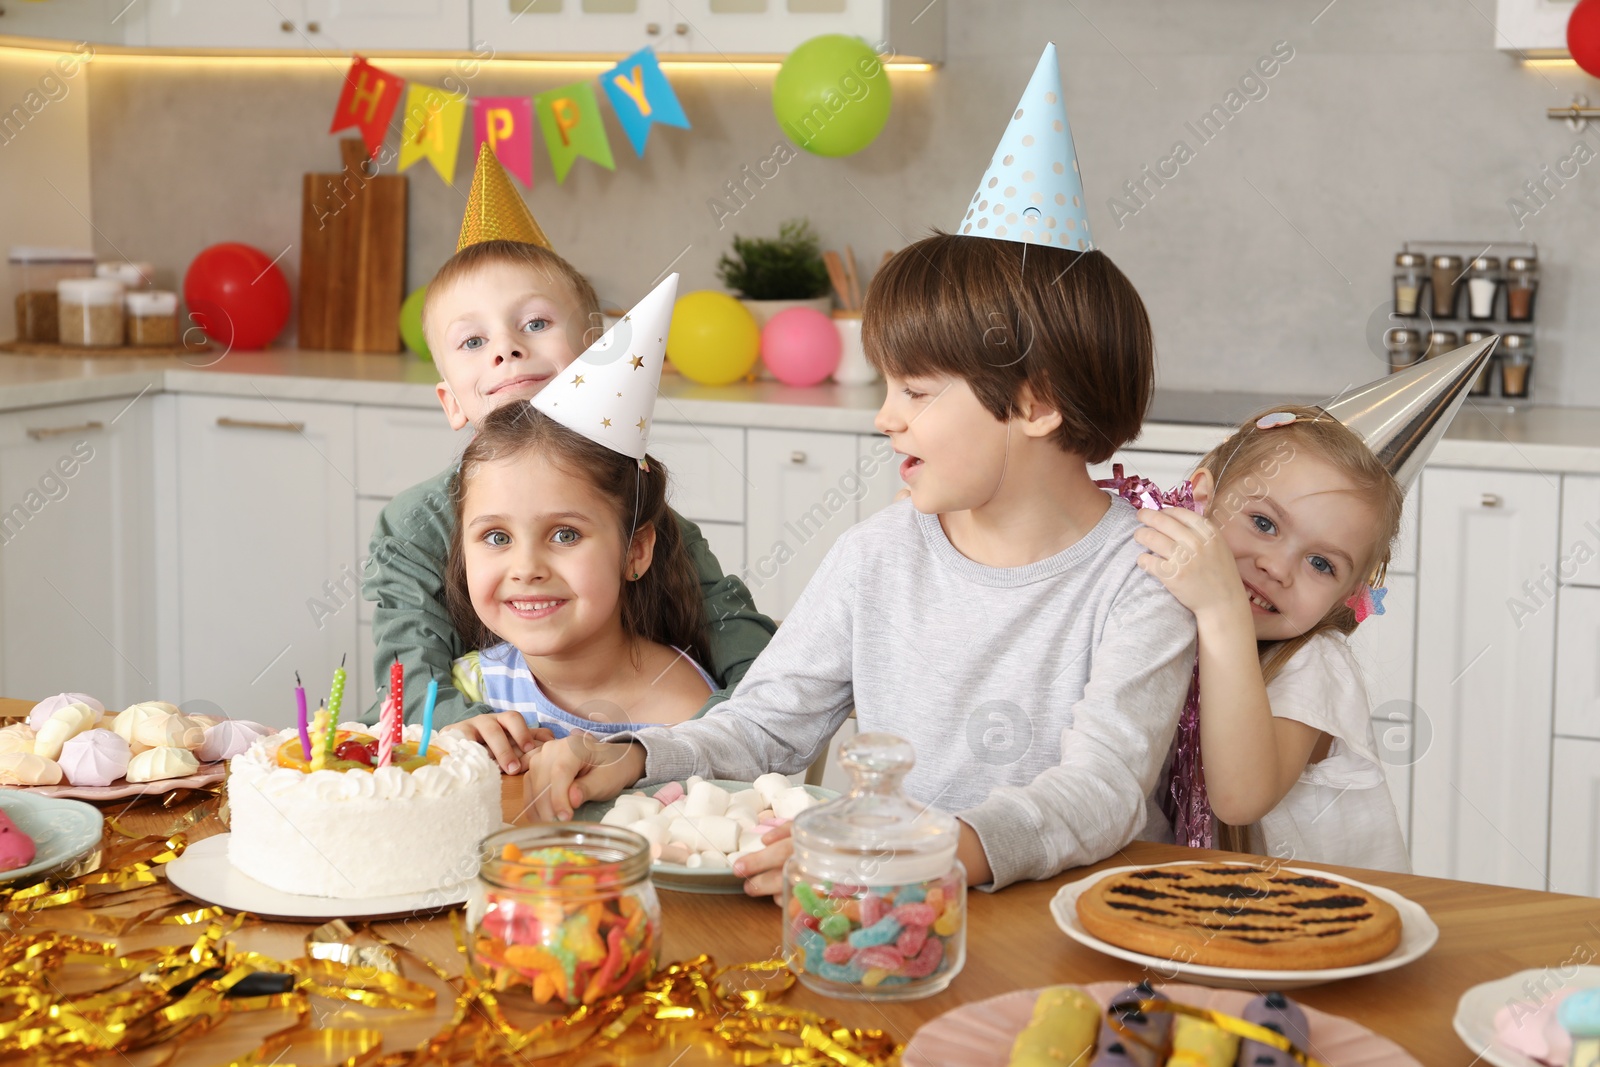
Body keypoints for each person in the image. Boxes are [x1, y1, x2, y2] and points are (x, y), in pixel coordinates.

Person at [360, 148, 774, 769]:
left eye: (534, 323)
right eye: (473, 340)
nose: (505, 350)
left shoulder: (635, 508)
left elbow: (745, 656)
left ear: (591, 356)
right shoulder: (413, 524)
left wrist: (696, 741)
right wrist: (486, 742)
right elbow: (410, 681)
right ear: (449, 399)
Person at [1132, 406, 1410, 871]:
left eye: (1321, 565)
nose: (1276, 568)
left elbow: (1239, 798)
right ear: (1201, 499)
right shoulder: (1159, 614)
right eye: (1263, 523)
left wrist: (1224, 612)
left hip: (1312, 923)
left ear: (1347, 597)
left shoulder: (1314, 665)